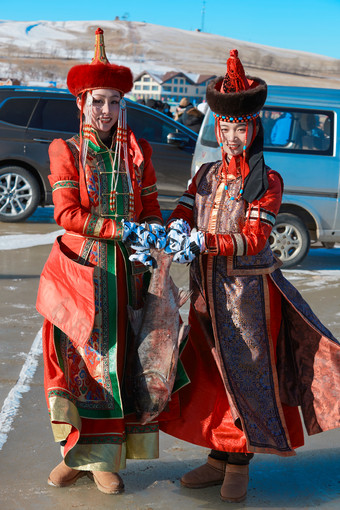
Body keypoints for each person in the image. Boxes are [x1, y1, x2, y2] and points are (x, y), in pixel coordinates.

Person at [146, 49, 339, 503]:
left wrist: (205, 243)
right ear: (217, 128)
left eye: (240, 128)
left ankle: (240, 463)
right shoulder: (206, 174)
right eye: (226, 128)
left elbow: (254, 238)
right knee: (210, 377)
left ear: (254, 130)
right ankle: (218, 458)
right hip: (203, 293)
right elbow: (184, 208)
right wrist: (174, 228)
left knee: (245, 376)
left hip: (248, 296)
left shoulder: (267, 180)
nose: (232, 137)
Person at [36, 28, 167, 495]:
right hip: (80, 275)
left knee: (118, 365)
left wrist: (153, 230)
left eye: (113, 102)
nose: (106, 111)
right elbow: (67, 213)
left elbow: (149, 209)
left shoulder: (139, 153)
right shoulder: (65, 151)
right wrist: (119, 229)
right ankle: (74, 454)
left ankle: (105, 459)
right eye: (97, 102)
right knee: (79, 365)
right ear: (81, 104)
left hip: (126, 274)